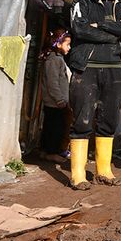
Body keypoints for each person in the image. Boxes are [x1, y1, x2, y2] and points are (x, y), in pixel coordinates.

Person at [68, 0, 121, 189]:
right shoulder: (82, 2)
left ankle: (103, 170)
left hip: (115, 71)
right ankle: (77, 174)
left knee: (109, 120)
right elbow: (79, 28)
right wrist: (114, 31)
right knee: (82, 120)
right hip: (86, 69)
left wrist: (100, 26)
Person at [39, 28, 72, 164]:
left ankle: (47, 151)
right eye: (67, 44)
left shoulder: (58, 59)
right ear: (58, 44)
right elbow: (52, 83)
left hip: (57, 102)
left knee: (53, 127)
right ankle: (50, 153)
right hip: (54, 103)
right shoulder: (54, 60)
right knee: (54, 128)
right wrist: (59, 99)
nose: (69, 47)